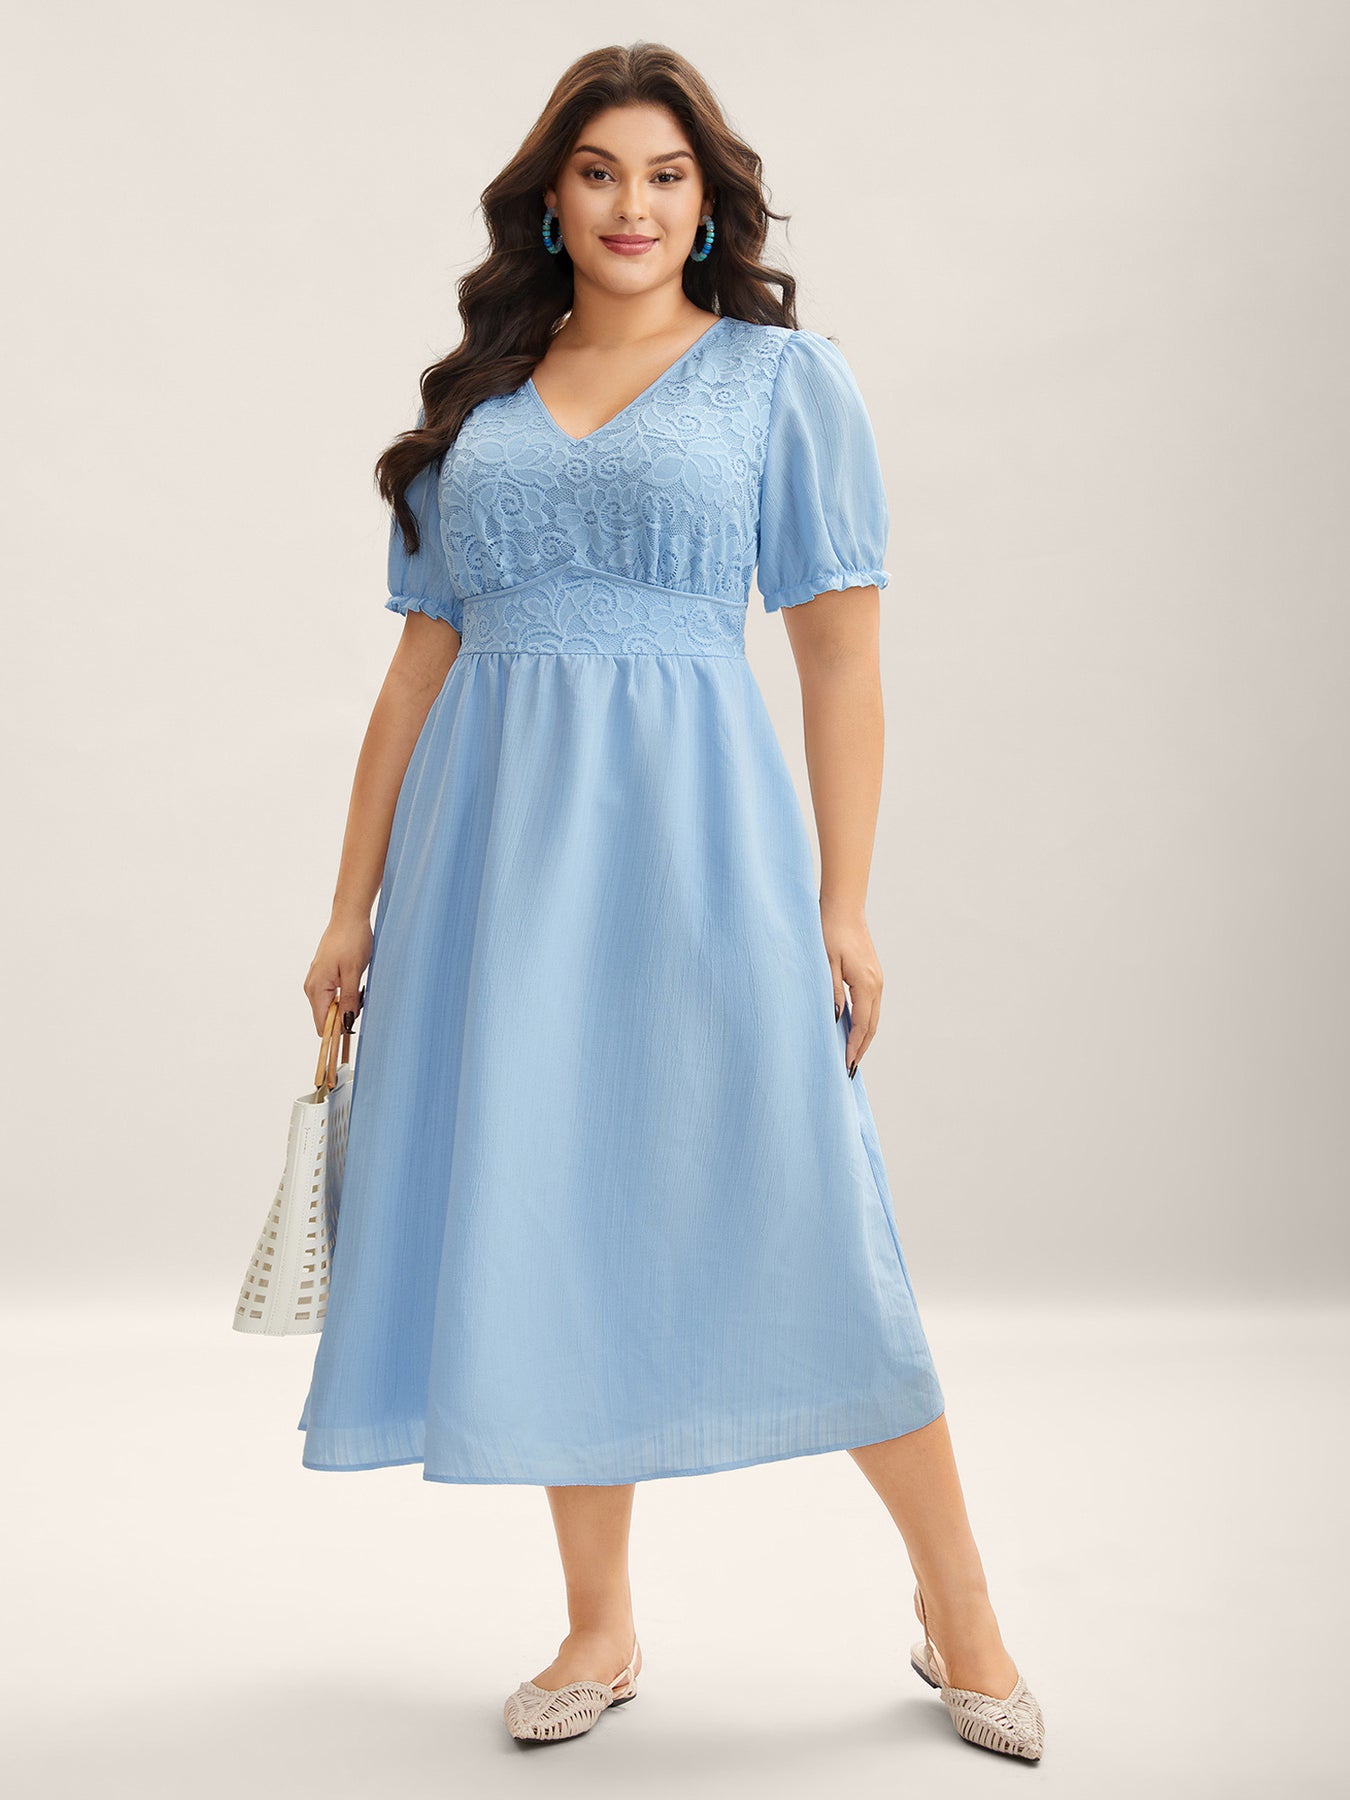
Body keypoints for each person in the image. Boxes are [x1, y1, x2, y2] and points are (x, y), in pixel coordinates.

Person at [296, 41, 1044, 1761]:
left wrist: (842, 905)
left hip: (701, 849)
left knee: (807, 1207)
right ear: (548, 203)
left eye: (665, 175)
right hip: (492, 864)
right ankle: (599, 1622)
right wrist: (349, 906)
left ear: (707, 205)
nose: (630, 205)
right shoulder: (483, 401)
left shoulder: (781, 380)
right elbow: (414, 675)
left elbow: (841, 657)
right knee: (550, 1204)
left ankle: (961, 1608)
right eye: (597, 173)